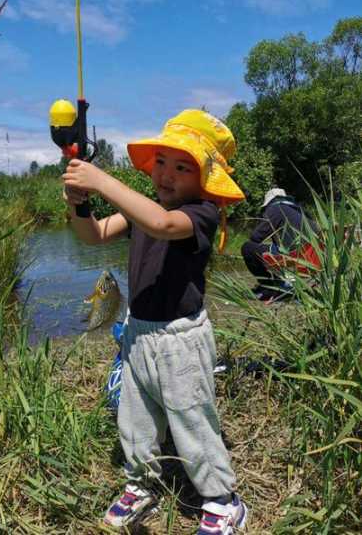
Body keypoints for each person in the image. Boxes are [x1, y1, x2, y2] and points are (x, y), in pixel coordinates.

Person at [62, 109, 247, 534]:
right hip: (138, 334)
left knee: (191, 416)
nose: (166, 175)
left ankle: (221, 498)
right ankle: (141, 482)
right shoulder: (142, 211)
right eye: (161, 162)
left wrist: (102, 180)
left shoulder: (199, 213)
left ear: (203, 178)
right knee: (135, 416)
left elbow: (163, 224)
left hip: (180, 339)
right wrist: (80, 205)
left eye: (183, 167)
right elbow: (94, 235)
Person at [241, 187, 316, 299]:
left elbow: (255, 237)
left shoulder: (276, 208)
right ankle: (278, 283)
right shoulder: (299, 209)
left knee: (247, 248)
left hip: (294, 255)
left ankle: (270, 285)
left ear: (269, 202)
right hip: (313, 256)